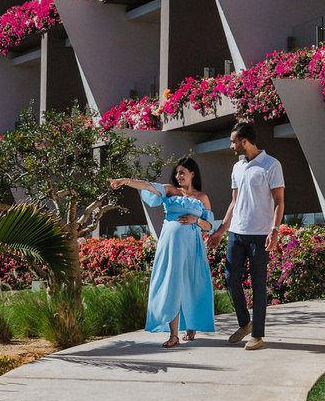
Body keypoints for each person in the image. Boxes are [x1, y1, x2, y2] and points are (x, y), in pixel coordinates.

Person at [110, 158, 216, 347]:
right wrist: (125, 181)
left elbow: (209, 226)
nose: (178, 176)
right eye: (177, 173)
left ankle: (191, 324)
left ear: (193, 173)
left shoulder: (202, 197)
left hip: (193, 247)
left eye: (182, 172)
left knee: (192, 284)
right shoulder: (170, 190)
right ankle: (174, 335)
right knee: (172, 284)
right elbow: (147, 186)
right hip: (171, 246)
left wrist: (195, 220)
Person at [208, 121, 284, 350]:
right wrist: (221, 230)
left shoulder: (271, 165)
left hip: (260, 234)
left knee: (259, 284)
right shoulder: (237, 167)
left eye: (233, 142)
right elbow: (234, 202)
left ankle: (257, 335)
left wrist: (275, 229)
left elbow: (279, 201)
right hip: (236, 233)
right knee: (230, 278)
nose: (231, 146)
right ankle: (245, 323)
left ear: (244, 141)